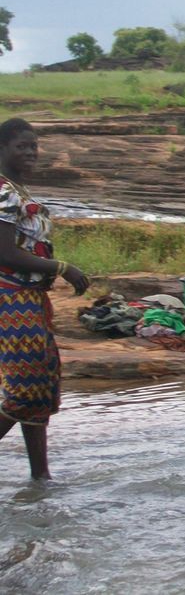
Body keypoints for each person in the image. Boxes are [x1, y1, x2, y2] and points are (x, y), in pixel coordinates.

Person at [0, 118, 89, 480]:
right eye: (22, 146)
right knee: (25, 388)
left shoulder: (16, 190)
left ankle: (41, 478)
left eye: (34, 146)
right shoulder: (5, 193)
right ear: (2, 148)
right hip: (11, 301)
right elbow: (5, 253)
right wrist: (62, 267)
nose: (31, 153)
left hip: (30, 300)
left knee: (41, 389)